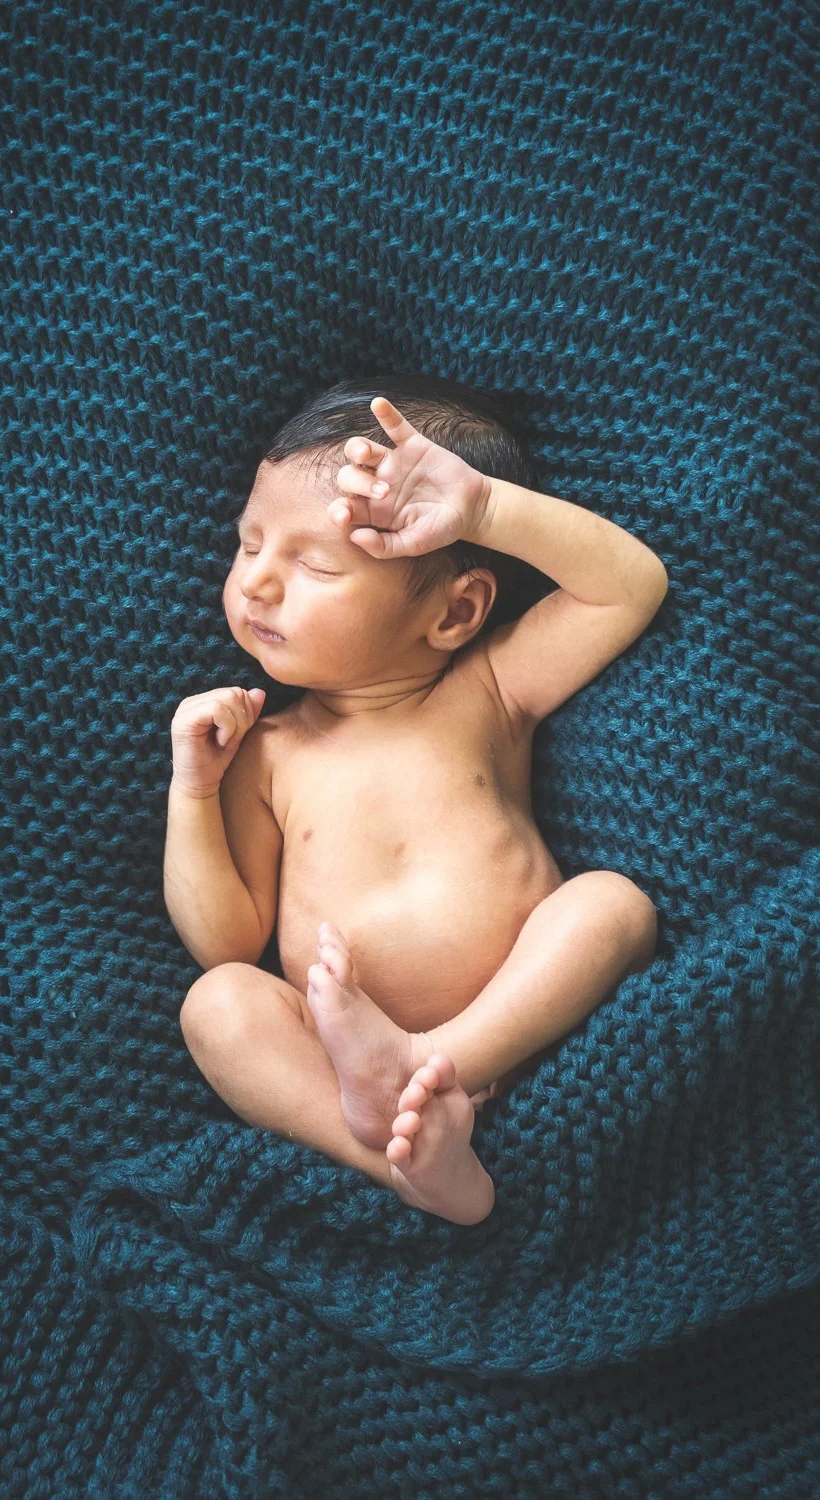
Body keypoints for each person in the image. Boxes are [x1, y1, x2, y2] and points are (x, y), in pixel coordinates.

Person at [165, 374, 667, 1224]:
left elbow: (630, 587)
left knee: (613, 905)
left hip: (509, 1023)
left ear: (455, 611)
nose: (257, 584)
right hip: (340, 1057)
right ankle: (401, 1161)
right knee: (216, 1005)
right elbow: (227, 939)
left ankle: (431, 1067)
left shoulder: (490, 688)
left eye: (314, 564)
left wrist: (485, 513)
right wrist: (194, 791)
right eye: (249, 545)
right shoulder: (267, 753)